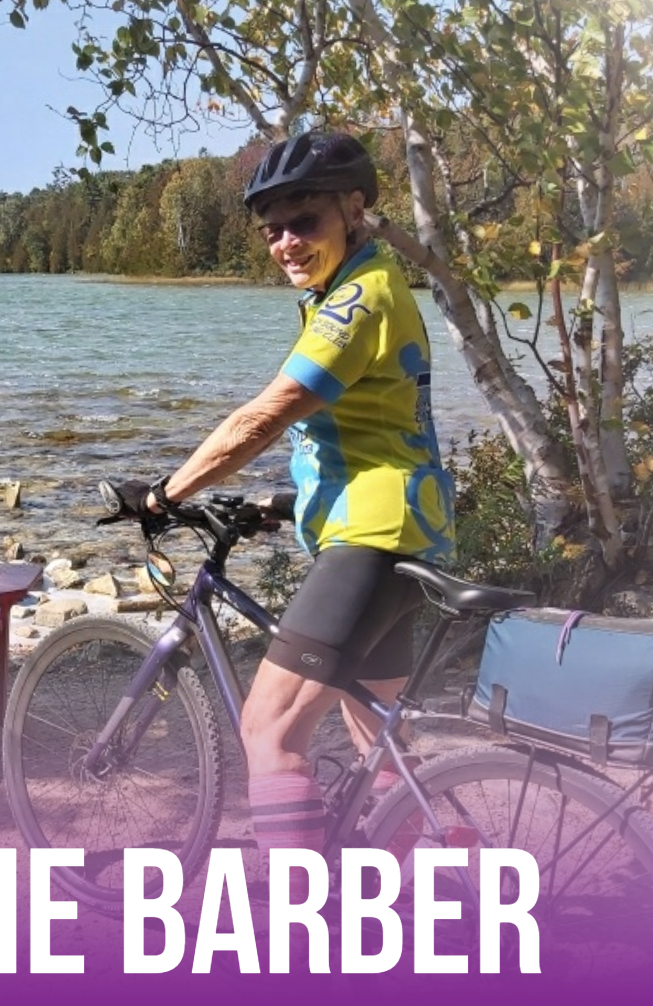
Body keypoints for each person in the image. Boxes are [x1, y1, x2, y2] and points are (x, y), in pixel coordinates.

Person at [114, 131, 455, 877]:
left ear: (354, 208)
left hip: (373, 538)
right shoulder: (359, 287)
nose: (287, 242)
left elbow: (266, 415)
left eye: (305, 222)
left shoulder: (358, 302)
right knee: (377, 738)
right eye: (273, 229)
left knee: (268, 730)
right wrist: (285, 497)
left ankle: (302, 932)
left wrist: (165, 493)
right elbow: (370, 428)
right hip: (409, 532)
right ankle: (401, 887)